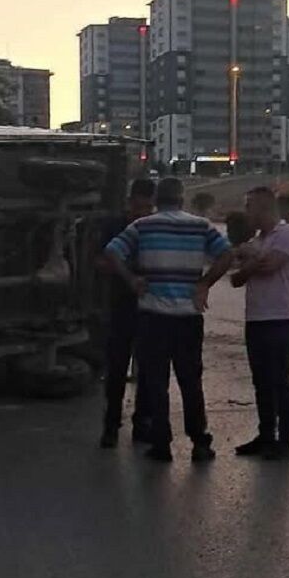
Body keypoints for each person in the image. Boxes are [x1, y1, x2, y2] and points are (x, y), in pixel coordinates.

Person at [105, 176, 234, 463]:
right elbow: (226, 254)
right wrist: (205, 284)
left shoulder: (142, 226)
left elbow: (112, 252)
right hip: (188, 318)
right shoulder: (200, 226)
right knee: (191, 381)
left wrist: (132, 280)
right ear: (182, 199)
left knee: (156, 382)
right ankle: (200, 442)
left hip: (154, 317)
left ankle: (161, 443)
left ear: (156, 201)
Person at [230, 186, 289, 460]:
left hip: (281, 320)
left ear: (262, 208)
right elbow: (236, 280)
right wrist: (250, 257)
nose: (246, 214)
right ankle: (265, 436)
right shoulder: (258, 240)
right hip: (256, 319)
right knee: (260, 381)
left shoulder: (288, 234)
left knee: (279, 381)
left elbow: (268, 266)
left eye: (249, 207)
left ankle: (286, 441)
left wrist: (249, 257)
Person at [98, 177, 156, 448]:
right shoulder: (113, 225)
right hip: (120, 303)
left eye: (147, 208)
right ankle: (111, 423)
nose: (142, 213)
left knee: (146, 368)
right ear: (129, 202)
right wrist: (127, 271)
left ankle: (142, 422)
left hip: (148, 306)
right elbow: (99, 260)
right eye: (138, 206)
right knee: (117, 368)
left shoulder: (154, 227)